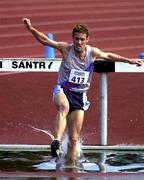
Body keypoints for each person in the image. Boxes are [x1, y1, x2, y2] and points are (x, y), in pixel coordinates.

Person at [23, 18, 142, 163]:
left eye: (82, 39)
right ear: (72, 39)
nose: (79, 43)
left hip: (80, 96)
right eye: (76, 39)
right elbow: (45, 41)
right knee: (64, 107)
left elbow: (109, 55)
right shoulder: (66, 48)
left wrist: (129, 60)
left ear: (87, 39)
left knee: (74, 139)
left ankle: (70, 167)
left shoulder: (93, 52)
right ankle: (56, 141)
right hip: (63, 90)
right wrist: (31, 28)